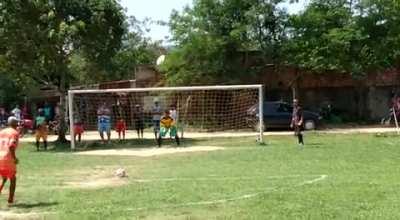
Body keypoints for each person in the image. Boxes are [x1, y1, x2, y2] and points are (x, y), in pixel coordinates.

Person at [0, 116, 20, 205]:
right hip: (8, 158)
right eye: (17, 123)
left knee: (4, 177)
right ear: (14, 124)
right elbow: (11, 146)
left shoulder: (2, 132)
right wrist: (14, 158)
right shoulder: (14, 133)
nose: (18, 124)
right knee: (13, 179)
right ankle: (10, 200)